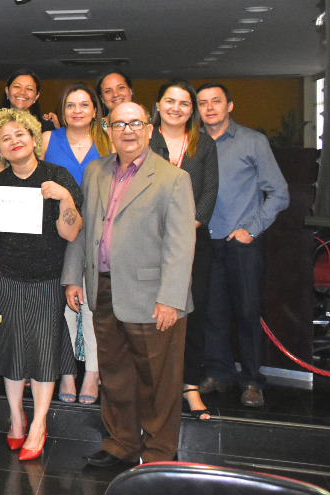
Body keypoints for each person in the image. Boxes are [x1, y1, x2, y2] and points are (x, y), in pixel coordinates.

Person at [63, 102, 196, 466]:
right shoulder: (94, 171)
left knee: (159, 381)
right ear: (107, 129)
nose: (128, 130)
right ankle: (121, 444)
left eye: (136, 123)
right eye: (119, 123)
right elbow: (84, 230)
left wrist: (171, 299)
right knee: (115, 373)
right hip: (103, 289)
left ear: (149, 129)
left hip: (153, 297)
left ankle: (158, 454)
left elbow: (181, 245)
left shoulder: (172, 178)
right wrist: (74, 277)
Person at [0, 108, 83, 461]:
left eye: (20, 135)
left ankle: (39, 424)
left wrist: (64, 198)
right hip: (8, 276)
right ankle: (17, 417)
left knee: (45, 347)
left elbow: (71, 231)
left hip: (48, 278)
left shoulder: (57, 176)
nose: (14, 142)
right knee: (14, 346)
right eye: (6, 139)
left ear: (33, 138)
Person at [197, 83, 290, 409]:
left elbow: (279, 193)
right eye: (203, 103)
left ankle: (252, 382)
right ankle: (220, 373)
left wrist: (251, 229)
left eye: (216, 102)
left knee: (248, 315)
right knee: (212, 316)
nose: (209, 108)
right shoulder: (193, 144)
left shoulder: (252, 141)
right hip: (207, 244)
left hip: (241, 244)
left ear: (230, 106)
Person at [150, 80, 220, 419]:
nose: (176, 108)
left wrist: (183, 230)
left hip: (192, 242)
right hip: (146, 242)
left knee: (191, 312)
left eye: (184, 103)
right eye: (170, 100)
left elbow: (208, 193)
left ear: (192, 111)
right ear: (158, 105)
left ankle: (190, 385)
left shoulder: (203, 144)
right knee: (150, 314)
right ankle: (156, 386)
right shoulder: (145, 139)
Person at [40, 83, 110, 405]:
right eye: (71, 105)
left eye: (85, 104)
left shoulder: (108, 141)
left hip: (98, 233)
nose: (78, 110)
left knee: (91, 307)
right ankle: (67, 373)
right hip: (57, 232)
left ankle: (92, 374)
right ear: (63, 110)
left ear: (95, 111)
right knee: (60, 307)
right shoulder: (47, 139)